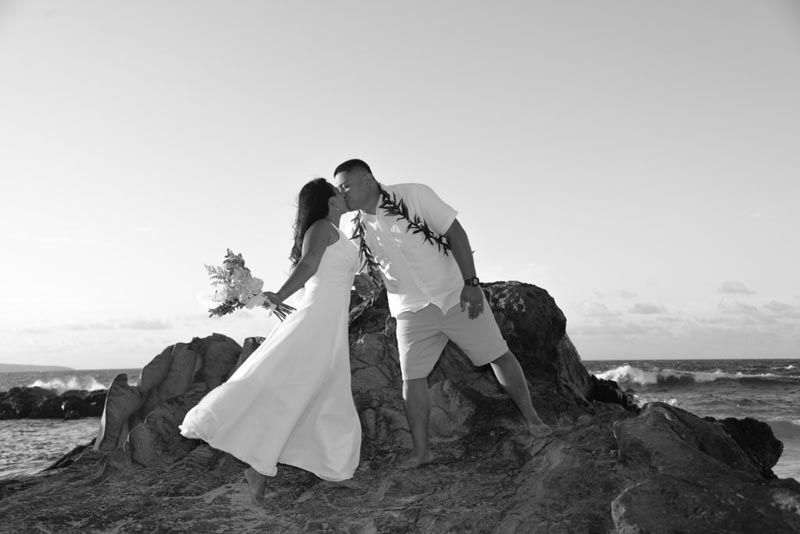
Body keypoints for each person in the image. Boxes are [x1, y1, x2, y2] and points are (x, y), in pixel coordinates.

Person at [333, 158, 552, 470]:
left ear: (367, 180)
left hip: (454, 296)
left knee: (498, 354)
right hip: (410, 310)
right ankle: (422, 451)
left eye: (346, 186)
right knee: (412, 379)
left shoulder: (414, 195)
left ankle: (532, 418)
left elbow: (456, 234)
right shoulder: (355, 227)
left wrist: (471, 284)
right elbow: (363, 271)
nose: (342, 193)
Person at [179, 178, 362, 504]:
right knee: (295, 387)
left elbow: (341, 274)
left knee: (325, 390)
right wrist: (278, 295)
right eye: (338, 192)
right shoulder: (321, 227)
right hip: (317, 318)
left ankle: (324, 468)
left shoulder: (338, 233)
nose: (343, 195)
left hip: (332, 322)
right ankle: (263, 467)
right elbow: (308, 266)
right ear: (330, 200)